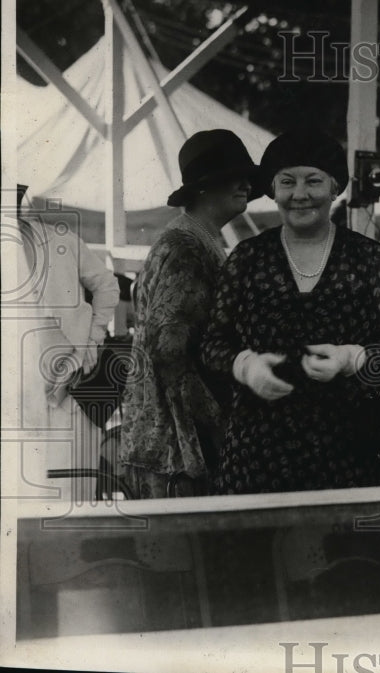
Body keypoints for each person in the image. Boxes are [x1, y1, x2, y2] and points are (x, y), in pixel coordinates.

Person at [200, 128, 380, 494]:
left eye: (313, 181)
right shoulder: (247, 258)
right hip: (257, 454)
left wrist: (352, 358)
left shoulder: (368, 258)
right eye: (287, 182)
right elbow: (212, 343)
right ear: (273, 189)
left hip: (347, 453)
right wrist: (245, 366)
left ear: (335, 188)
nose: (300, 194)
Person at [119, 130, 260, 498]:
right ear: (202, 187)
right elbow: (169, 353)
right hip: (177, 453)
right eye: (232, 175)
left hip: (171, 446)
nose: (245, 183)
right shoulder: (185, 249)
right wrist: (219, 425)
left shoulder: (197, 240)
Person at [12, 182, 120, 499]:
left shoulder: (60, 239)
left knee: (73, 489)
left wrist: (90, 342)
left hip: (68, 385)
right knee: (22, 493)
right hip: (15, 391)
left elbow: (107, 287)